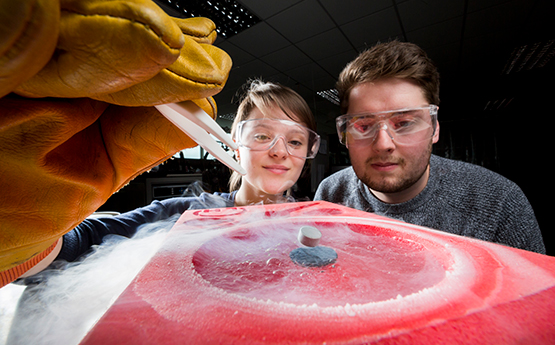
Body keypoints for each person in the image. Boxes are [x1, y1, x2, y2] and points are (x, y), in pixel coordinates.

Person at [19, 79, 320, 277]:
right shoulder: (185, 215)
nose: (279, 151)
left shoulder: (318, 224)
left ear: (308, 151)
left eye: (295, 141)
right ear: (235, 147)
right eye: (262, 135)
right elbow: (81, 242)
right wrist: (29, 226)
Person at [314, 41, 545, 254]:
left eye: (404, 124)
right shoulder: (330, 194)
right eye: (363, 126)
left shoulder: (499, 203)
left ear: (434, 128)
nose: (383, 144)